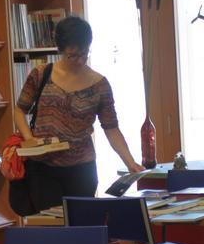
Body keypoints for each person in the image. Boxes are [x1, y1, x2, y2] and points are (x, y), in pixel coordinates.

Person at [11, 16, 142, 212]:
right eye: (72, 55)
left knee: (81, 226)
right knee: (53, 228)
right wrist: (29, 138)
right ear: (61, 50)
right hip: (43, 167)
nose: (79, 60)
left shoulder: (99, 84)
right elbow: (19, 110)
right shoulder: (41, 74)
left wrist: (130, 162)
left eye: (84, 53)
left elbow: (111, 128)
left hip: (82, 168)